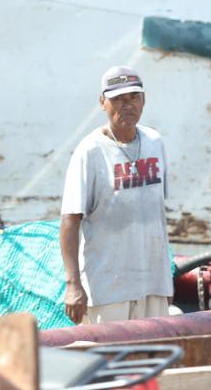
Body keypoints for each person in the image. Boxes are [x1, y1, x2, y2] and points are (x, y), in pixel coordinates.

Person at [60, 66, 173, 325]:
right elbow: (69, 220)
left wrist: (166, 281)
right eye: (118, 99)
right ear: (102, 103)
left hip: (152, 283)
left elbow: (156, 215)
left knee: (153, 360)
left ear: (143, 101)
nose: (127, 105)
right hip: (108, 289)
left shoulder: (155, 142)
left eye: (133, 97)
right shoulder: (90, 151)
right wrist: (73, 285)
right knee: (109, 361)